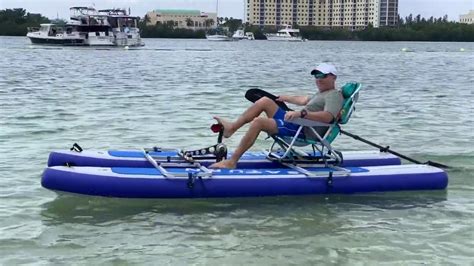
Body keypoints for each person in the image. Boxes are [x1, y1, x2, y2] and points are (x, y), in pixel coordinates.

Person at [210, 63, 344, 169]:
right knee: (265, 101)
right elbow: (303, 100)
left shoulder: (334, 95)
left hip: (305, 130)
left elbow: (328, 117)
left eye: (323, 76)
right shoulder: (321, 94)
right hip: (298, 123)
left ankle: (232, 161)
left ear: (333, 77)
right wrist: (284, 98)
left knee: (259, 122)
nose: (319, 79)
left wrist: (302, 113)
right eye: (317, 76)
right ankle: (232, 128)